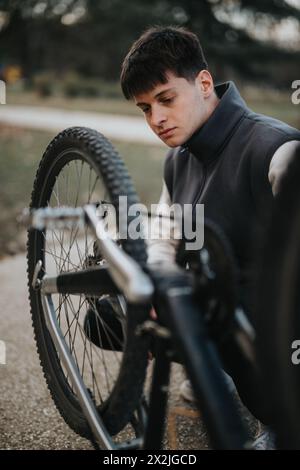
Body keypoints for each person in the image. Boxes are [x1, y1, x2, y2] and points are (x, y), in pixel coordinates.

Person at [85, 25, 300, 448]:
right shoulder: (176, 162)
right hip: (219, 316)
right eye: (145, 108)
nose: (157, 119)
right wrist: (150, 298)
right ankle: (214, 371)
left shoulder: (276, 148)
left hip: (277, 335)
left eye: (166, 99)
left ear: (203, 83)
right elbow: (164, 244)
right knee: (105, 319)